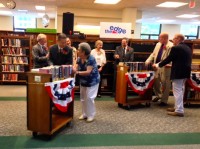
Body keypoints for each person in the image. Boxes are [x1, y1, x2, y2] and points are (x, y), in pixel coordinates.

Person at [153, 34, 192, 117]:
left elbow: (168, 59)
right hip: (185, 73)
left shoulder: (176, 48)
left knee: (177, 91)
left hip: (178, 73)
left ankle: (179, 110)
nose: (172, 40)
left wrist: (157, 65)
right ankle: (177, 107)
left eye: (174, 39)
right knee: (181, 91)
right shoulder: (187, 47)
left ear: (178, 39)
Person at [73, 42, 100, 122]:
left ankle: (91, 115)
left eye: (79, 50)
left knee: (89, 98)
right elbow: (76, 67)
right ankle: (84, 113)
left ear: (83, 52)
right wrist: (73, 68)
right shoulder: (79, 58)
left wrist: (76, 72)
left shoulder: (91, 59)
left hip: (92, 81)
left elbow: (88, 72)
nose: (77, 51)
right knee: (83, 98)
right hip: (83, 81)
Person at [145, 33, 173, 106]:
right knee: (155, 81)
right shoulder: (158, 44)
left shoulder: (171, 46)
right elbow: (153, 54)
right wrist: (148, 60)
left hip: (165, 67)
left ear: (165, 38)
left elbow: (168, 59)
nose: (158, 39)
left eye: (160, 38)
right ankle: (159, 95)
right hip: (155, 67)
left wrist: (158, 65)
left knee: (165, 84)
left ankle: (164, 100)